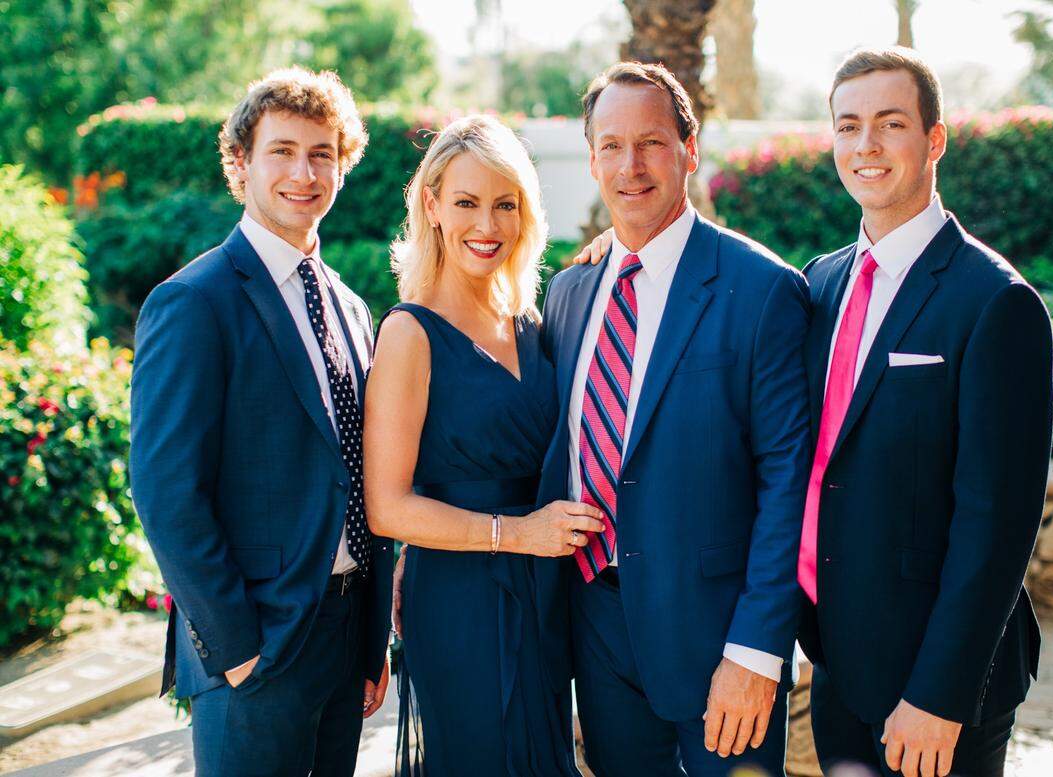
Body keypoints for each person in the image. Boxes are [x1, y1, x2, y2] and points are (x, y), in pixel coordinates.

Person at [535, 62, 812, 777]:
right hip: (596, 625)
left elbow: (789, 483)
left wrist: (755, 651)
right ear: (591, 155)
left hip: (719, 638)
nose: (631, 166)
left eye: (652, 143)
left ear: (690, 149)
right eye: (612, 145)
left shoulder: (763, 290)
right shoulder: (569, 294)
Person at [796, 47, 1053, 777]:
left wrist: (940, 694)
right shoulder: (821, 283)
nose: (866, 146)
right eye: (848, 127)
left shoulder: (996, 302)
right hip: (838, 661)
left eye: (890, 123)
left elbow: (997, 525)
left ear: (934, 140)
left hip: (937, 686)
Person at [130, 67, 392, 776]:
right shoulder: (193, 301)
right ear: (240, 162)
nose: (303, 172)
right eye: (282, 151)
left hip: (346, 637)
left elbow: (356, 473)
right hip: (258, 646)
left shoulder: (351, 307)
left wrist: (371, 641)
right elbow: (164, 491)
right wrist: (238, 647)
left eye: (323, 153)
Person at [363, 114, 604, 776]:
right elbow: (387, 507)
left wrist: (617, 249)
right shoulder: (409, 333)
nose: (487, 225)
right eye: (467, 202)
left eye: (505, 204)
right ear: (433, 206)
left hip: (545, 590)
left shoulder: (532, 322)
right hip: (463, 600)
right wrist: (517, 533)